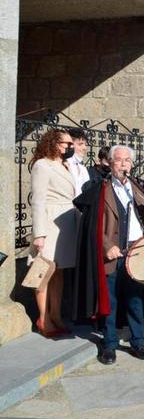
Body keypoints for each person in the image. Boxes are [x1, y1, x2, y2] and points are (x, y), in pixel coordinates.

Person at [72, 145, 144, 365]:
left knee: (135, 300)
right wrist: (106, 247)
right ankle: (109, 345)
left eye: (127, 161)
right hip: (112, 253)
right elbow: (92, 226)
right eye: (119, 161)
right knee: (109, 301)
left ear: (132, 164)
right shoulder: (99, 190)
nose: (123, 165)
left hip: (136, 253)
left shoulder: (139, 188)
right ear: (110, 164)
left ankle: (137, 342)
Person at [29, 129, 79, 337]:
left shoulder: (65, 165)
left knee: (59, 272)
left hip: (66, 223)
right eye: (65, 144)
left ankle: (56, 314)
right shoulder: (42, 165)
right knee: (43, 271)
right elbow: (38, 200)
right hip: (49, 222)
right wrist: (39, 233)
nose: (70, 147)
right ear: (53, 143)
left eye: (70, 143)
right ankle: (43, 318)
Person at [66, 128, 91, 197]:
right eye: (80, 144)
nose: (84, 148)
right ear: (70, 145)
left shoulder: (83, 169)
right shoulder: (63, 165)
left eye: (85, 144)